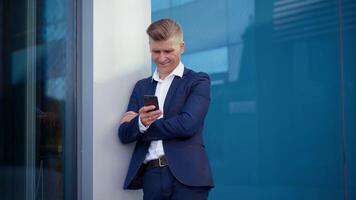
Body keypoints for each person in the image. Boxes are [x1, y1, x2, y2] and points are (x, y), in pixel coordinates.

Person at [118, 18, 214, 200]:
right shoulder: (141, 87)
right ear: (149, 48)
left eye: (168, 51)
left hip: (189, 178)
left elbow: (187, 125)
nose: (161, 58)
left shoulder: (198, 81)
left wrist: (142, 125)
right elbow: (124, 134)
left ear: (182, 47)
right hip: (151, 177)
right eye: (156, 51)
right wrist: (138, 123)